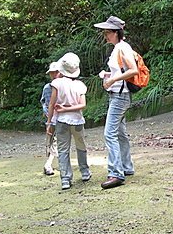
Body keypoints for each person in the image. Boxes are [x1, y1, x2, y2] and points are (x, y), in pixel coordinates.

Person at [94, 16, 138, 189]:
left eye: (108, 32)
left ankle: (115, 173)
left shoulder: (122, 47)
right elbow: (122, 70)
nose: (105, 35)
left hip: (120, 96)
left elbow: (133, 70)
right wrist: (108, 75)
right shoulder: (118, 48)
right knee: (120, 133)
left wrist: (112, 81)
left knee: (109, 133)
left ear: (116, 32)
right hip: (118, 94)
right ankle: (127, 167)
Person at [46, 52, 91, 190]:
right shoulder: (80, 85)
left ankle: (65, 179)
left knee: (63, 149)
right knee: (81, 146)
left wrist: (49, 123)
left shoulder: (56, 83)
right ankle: (84, 172)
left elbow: (52, 104)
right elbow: (82, 105)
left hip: (61, 122)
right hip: (77, 121)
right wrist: (70, 108)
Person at [40, 62, 60, 176]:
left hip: (61, 118)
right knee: (51, 142)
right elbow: (45, 102)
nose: (54, 74)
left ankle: (49, 164)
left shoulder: (61, 86)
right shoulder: (48, 88)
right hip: (52, 119)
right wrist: (47, 115)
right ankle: (48, 164)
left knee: (57, 142)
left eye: (55, 72)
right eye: (52, 73)